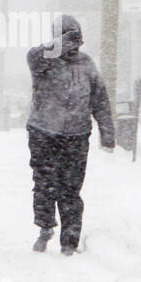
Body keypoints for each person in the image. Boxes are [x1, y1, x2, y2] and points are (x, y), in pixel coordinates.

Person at [25, 14, 115, 255]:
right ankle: (45, 227)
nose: (72, 44)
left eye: (75, 38)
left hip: (76, 135)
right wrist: (55, 47)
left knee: (71, 190)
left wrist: (107, 133)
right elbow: (33, 56)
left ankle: (70, 241)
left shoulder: (87, 64)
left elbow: (100, 100)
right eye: (66, 37)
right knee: (44, 184)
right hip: (43, 132)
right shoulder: (43, 61)